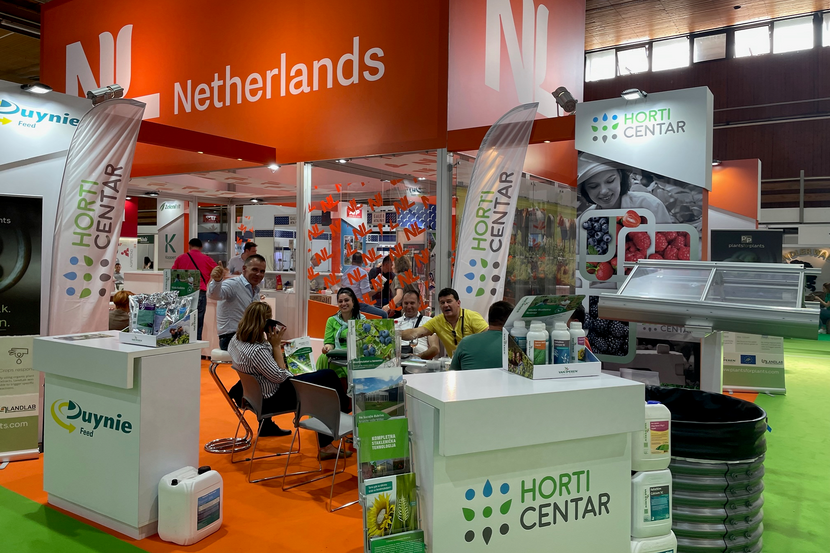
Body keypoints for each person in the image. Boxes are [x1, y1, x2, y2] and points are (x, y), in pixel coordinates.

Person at [229, 302, 351, 457]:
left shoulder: (236, 340)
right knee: (327, 379)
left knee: (324, 380)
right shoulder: (257, 351)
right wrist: (275, 347)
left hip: (255, 396)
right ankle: (333, 432)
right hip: (272, 398)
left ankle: (334, 425)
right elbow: (282, 376)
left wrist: (274, 346)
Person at [578, 153, 672, 224]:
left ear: (621, 177)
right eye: (593, 186)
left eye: (610, 181)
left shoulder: (650, 205)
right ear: (585, 190)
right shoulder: (583, 222)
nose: (604, 191)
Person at [399, 288, 488, 357]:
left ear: (458, 303)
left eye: (449, 301)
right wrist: (394, 334)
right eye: (442, 302)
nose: (446, 305)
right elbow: (415, 332)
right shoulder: (437, 321)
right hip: (455, 365)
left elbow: (489, 336)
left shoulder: (472, 317)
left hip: (477, 362)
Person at [208, 254, 267, 350]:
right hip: (231, 338)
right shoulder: (232, 284)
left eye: (262, 271)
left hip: (248, 336)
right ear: (244, 268)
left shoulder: (255, 291)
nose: (258, 274)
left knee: (274, 350)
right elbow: (214, 295)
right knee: (263, 353)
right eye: (254, 270)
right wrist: (217, 281)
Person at [172, 238, 217, 340]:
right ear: (201, 247)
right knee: (197, 323)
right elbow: (218, 271)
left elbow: (173, 274)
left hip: (182, 294)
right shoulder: (207, 259)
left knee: (181, 322)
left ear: (189, 246)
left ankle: (181, 345)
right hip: (199, 292)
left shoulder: (180, 258)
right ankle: (196, 349)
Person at [317, 287, 366, 379]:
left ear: (353, 302)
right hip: (336, 352)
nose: (343, 304)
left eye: (346, 300)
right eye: (340, 301)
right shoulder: (331, 320)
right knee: (324, 357)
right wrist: (327, 348)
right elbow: (329, 343)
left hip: (354, 353)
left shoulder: (362, 320)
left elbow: (363, 342)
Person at [450, 301, 513, 370]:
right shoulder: (513, 346)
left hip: (469, 380)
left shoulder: (465, 342)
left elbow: (453, 373)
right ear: (510, 321)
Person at [394, 288, 439, 359]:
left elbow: (435, 348)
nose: (409, 306)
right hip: (398, 360)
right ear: (402, 304)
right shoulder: (394, 322)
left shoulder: (428, 321)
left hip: (419, 360)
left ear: (419, 303)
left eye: (412, 303)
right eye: (406, 303)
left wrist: (420, 356)